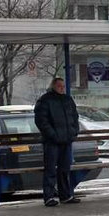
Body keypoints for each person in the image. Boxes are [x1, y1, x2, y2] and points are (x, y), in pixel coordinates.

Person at [34, 77, 80, 207]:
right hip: (52, 141)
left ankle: (65, 195)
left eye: (63, 86)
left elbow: (75, 117)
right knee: (50, 169)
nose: (62, 88)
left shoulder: (67, 100)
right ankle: (48, 197)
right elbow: (41, 121)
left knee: (64, 169)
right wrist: (53, 135)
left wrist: (73, 132)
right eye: (59, 86)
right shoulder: (45, 100)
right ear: (53, 86)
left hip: (66, 140)